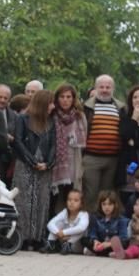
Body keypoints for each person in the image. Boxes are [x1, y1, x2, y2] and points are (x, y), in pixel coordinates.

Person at [12, 89, 57, 251]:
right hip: (25, 165)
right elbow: (17, 142)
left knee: (42, 202)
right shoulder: (23, 119)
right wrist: (32, 161)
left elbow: (53, 146)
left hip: (44, 167)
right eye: (51, 102)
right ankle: (22, 237)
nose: (53, 106)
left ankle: (38, 237)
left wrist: (48, 163)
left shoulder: (51, 122)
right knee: (23, 201)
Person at [82, 75, 124, 206]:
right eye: (101, 87)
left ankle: (104, 225)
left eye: (108, 87)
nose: (105, 90)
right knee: (90, 194)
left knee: (107, 196)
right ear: (96, 88)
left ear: (113, 89)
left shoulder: (121, 108)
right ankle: (88, 224)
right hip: (91, 158)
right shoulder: (86, 107)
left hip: (113, 159)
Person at [50, 83, 87, 213]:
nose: (65, 100)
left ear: (73, 98)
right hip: (54, 160)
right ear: (57, 98)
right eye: (62, 97)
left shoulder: (79, 116)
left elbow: (84, 139)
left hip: (73, 160)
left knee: (70, 195)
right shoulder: (52, 115)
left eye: (68, 97)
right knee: (53, 197)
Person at [84, 190, 128, 257]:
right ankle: (103, 252)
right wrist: (95, 241)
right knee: (84, 240)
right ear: (100, 205)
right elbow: (93, 232)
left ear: (115, 205)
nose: (107, 207)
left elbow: (123, 237)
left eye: (110, 204)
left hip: (112, 245)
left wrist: (109, 244)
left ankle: (104, 252)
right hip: (101, 242)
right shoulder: (96, 218)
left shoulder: (121, 219)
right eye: (104, 204)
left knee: (125, 243)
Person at [45, 189, 89, 254]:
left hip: (77, 245)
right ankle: (50, 244)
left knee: (81, 230)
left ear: (81, 204)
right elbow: (50, 223)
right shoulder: (64, 212)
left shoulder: (84, 214)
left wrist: (64, 232)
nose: (72, 202)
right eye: (69, 200)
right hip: (63, 242)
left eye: (76, 200)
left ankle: (68, 245)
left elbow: (81, 227)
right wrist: (58, 233)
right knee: (58, 224)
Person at [113, 196, 139, 260]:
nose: (134, 206)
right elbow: (129, 234)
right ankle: (123, 254)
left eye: (137, 204)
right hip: (135, 244)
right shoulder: (133, 220)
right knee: (132, 249)